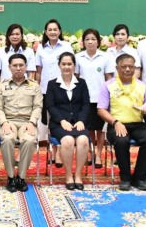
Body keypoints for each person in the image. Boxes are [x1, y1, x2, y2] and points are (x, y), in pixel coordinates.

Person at [97, 54, 146, 191]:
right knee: (122, 140)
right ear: (117, 68)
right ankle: (125, 178)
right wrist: (115, 122)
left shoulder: (141, 85)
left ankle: (139, 178)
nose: (127, 69)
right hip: (117, 123)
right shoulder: (108, 85)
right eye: (124, 66)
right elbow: (101, 109)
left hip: (137, 123)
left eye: (131, 66)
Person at [0, 53, 42, 192]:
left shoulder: (34, 86)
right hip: (8, 121)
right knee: (8, 139)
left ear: (26, 67)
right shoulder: (2, 86)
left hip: (27, 122)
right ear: (9, 67)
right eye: (15, 65)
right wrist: (3, 123)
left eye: (21, 65)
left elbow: (38, 106)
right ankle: (10, 177)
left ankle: (21, 177)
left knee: (29, 140)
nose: (18, 68)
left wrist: (32, 122)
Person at [46, 52, 91, 190]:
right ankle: (68, 175)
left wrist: (81, 120)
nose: (66, 67)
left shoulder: (81, 83)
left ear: (74, 66)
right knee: (68, 141)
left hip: (78, 122)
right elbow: (50, 106)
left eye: (69, 64)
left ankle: (78, 175)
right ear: (59, 66)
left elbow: (86, 104)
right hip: (59, 124)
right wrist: (61, 121)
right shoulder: (52, 84)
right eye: (64, 64)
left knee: (83, 140)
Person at [35, 19, 73, 162]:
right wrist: (37, 88)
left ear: (60, 31)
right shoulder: (40, 48)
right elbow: (38, 71)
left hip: (63, 88)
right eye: (49, 30)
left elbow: (70, 67)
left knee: (62, 118)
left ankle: (59, 153)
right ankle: (53, 151)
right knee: (49, 120)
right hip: (45, 89)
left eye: (55, 29)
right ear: (45, 32)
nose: (52, 32)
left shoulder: (66, 46)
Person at [75, 28, 109, 168]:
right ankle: (90, 153)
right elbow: (75, 78)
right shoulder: (78, 57)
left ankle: (99, 154)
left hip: (100, 98)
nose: (90, 42)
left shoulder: (105, 57)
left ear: (98, 42)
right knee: (88, 128)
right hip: (84, 99)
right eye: (87, 39)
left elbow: (109, 78)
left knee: (100, 129)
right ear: (83, 42)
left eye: (93, 39)